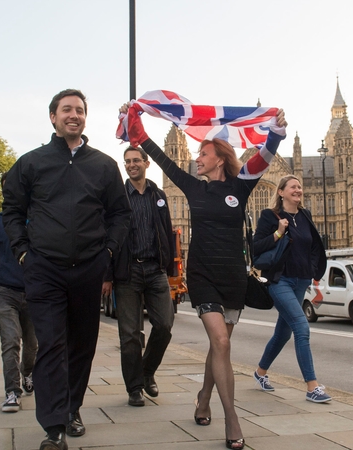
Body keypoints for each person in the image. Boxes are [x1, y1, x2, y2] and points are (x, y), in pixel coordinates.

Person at [121, 102, 287, 450]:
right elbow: (159, 156)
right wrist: (135, 123)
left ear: (220, 159)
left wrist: (276, 131)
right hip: (201, 273)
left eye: (203, 153)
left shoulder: (241, 186)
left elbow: (265, 157)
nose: (197, 158)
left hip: (232, 276)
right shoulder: (193, 186)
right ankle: (232, 418)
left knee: (219, 346)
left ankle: (204, 396)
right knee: (222, 343)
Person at [4, 89, 131, 450]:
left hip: (89, 268)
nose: (73, 115)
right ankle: (54, 425)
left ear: (85, 118)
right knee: (52, 345)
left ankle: (72, 407)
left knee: (81, 345)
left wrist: (107, 251)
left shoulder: (105, 165)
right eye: (66, 110)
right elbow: (11, 210)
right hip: (44, 268)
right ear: (53, 117)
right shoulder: (31, 163)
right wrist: (24, 253)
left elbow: (120, 214)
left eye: (79, 110)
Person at [104, 146, 176, 407]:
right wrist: (107, 275)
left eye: (136, 160)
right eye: (127, 162)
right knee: (130, 335)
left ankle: (147, 371)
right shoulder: (117, 196)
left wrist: (171, 269)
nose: (131, 165)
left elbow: (167, 231)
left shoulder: (159, 195)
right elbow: (107, 236)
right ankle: (134, 388)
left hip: (155, 270)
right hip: (127, 272)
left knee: (165, 326)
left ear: (147, 164)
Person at [251, 175, 330, 403]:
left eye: (300, 187)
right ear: (281, 192)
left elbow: (314, 245)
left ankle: (260, 373)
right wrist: (278, 233)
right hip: (279, 280)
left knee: (283, 333)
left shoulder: (305, 215)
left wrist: (312, 270)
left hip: (301, 280)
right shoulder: (269, 216)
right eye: (293, 187)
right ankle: (312, 387)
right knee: (301, 327)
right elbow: (256, 247)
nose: (298, 190)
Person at [0, 172, 38, 413]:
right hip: (5, 292)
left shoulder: (36, 220)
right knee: (11, 341)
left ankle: (28, 372)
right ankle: (12, 392)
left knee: (32, 345)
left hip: (34, 291)